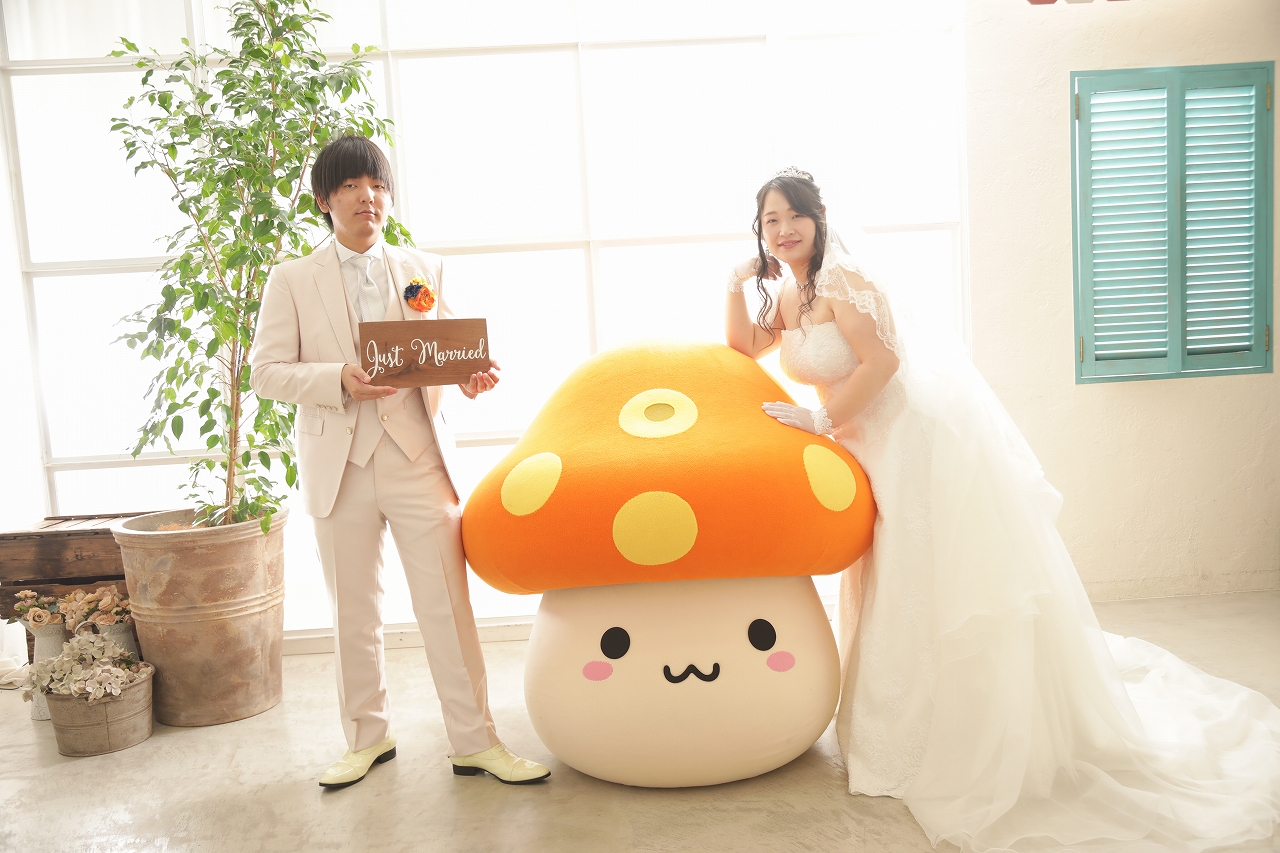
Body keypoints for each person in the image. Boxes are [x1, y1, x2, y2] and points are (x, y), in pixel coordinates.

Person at [726, 167, 1280, 851]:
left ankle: (960, 731)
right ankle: (896, 725)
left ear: (818, 218)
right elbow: (744, 349)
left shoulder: (846, 279)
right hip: (862, 443)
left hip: (908, 438)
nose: (783, 231)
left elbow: (883, 362)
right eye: (770, 221)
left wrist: (820, 418)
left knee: (926, 574)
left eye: (793, 216)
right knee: (889, 577)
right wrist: (735, 280)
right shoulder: (789, 292)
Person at [250, 135, 550, 789]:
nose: (369, 197)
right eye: (352, 186)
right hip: (340, 466)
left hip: (418, 459)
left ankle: (476, 740)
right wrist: (337, 378)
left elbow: (444, 355)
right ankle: (367, 738)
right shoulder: (292, 278)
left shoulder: (423, 268)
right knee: (354, 615)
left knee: (448, 606)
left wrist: (469, 378)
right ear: (325, 200)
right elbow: (266, 373)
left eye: (378, 185)